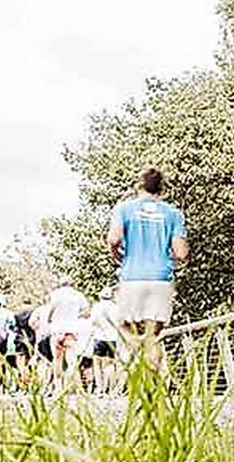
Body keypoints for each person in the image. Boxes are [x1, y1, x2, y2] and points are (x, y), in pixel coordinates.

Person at [107, 167, 189, 372]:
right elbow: (181, 253)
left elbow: (114, 239)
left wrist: (116, 254)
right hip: (161, 278)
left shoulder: (124, 209)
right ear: (161, 188)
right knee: (153, 336)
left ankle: (137, 364)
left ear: (139, 185)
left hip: (132, 276)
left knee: (124, 325)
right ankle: (153, 379)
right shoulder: (173, 213)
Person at [45, 276, 91, 387]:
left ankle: (58, 386)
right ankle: (72, 385)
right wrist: (76, 316)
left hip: (57, 330)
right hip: (71, 331)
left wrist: (49, 320)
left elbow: (50, 310)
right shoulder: (78, 295)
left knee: (57, 359)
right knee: (72, 360)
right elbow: (87, 312)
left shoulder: (55, 294)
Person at [89, 285, 122, 393]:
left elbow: (92, 321)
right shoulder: (115, 307)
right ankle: (110, 388)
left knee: (97, 363)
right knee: (110, 363)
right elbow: (119, 323)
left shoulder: (97, 307)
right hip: (112, 338)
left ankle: (100, 388)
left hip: (99, 337)